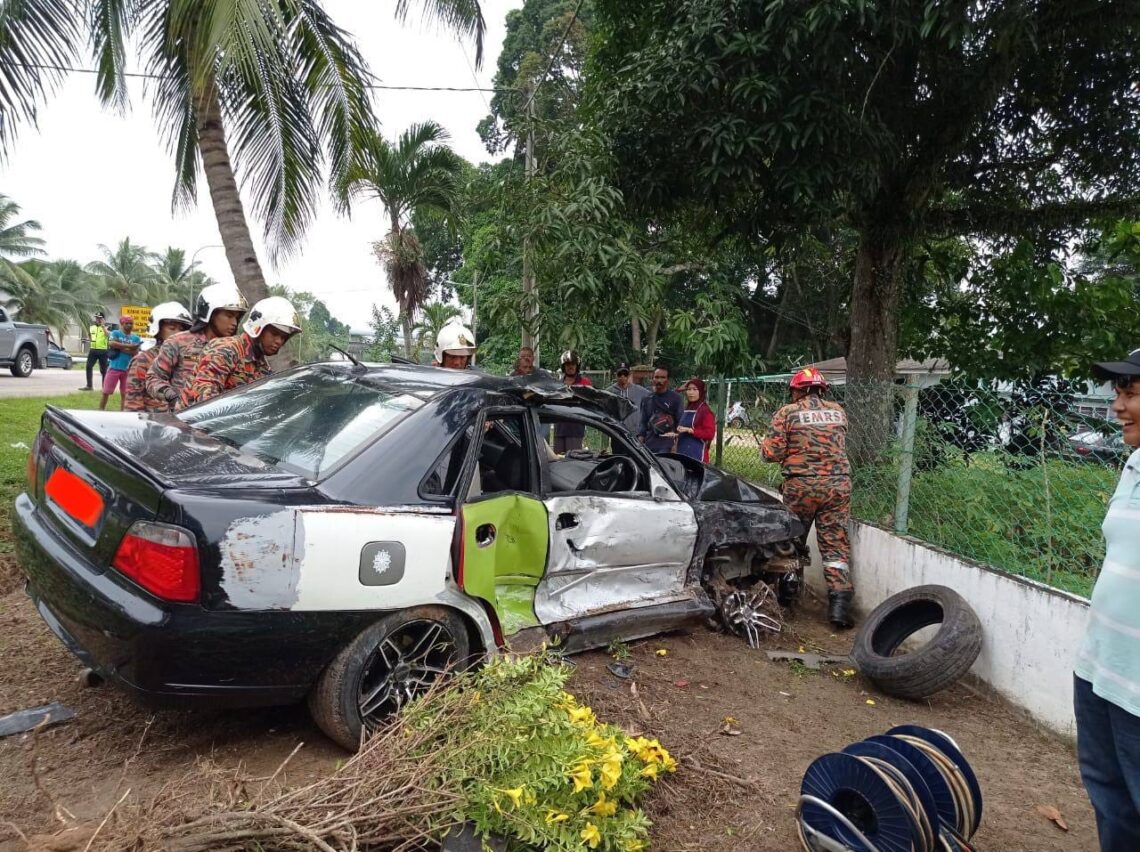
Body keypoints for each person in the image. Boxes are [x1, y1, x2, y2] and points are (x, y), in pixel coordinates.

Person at [1074, 348, 1140, 852]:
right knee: (1110, 800)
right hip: (1100, 667)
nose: (1117, 405)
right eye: (1119, 393)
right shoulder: (1133, 465)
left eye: (1131, 393)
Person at [761, 367, 853, 628]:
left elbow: (771, 453)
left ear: (797, 390)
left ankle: (786, 596)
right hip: (838, 484)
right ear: (822, 389)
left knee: (790, 540)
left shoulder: (788, 413)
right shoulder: (838, 411)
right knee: (835, 545)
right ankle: (839, 608)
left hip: (801, 484)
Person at [182, 296, 302, 407]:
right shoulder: (226, 350)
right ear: (258, 327)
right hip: (189, 425)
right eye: (275, 334)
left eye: (283, 337)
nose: (279, 341)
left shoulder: (262, 366)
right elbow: (204, 396)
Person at [146, 283, 247, 412]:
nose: (234, 323)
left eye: (237, 317)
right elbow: (154, 378)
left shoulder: (238, 349)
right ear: (210, 313)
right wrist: (171, 395)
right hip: (181, 419)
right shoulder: (178, 342)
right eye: (229, 316)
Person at [124, 302, 194, 412]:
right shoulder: (143, 360)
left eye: (181, 329)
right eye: (172, 328)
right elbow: (133, 404)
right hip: (153, 424)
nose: (177, 334)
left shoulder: (189, 359)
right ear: (158, 329)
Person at [638, 365, 684, 454]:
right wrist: (639, 446)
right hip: (649, 446)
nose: (659, 380)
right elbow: (643, 424)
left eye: (663, 377)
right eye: (657, 377)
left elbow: (680, 425)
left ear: (668, 380)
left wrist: (675, 446)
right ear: (653, 379)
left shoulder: (675, 399)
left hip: (667, 446)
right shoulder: (647, 399)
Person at [99, 316, 142, 411]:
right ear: (122, 324)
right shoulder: (116, 333)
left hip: (128, 370)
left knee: (125, 394)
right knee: (106, 392)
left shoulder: (136, 338)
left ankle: (123, 413)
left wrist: (120, 347)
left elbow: (135, 353)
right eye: (127, 323)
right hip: (114, 367)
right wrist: (129, 346)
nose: (129, 325)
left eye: (131, 323)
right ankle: (101, 411)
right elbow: (111, 343)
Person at [553, 350, 592, 453]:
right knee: (558, 460)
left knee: (573, 460)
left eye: (573, 364)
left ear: (577, 366)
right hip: (559, 428)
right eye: (567, 364)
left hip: (576, 428)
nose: (570, 367)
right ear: (563, 366)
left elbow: (590, 403)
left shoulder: (585, 383)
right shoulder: (557, 384)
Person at [676, 377, 716, 462]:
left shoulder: (705, 410)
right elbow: (673, 395)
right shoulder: (687, 408)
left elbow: (710, 434)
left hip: (697, 454)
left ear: (701, 391)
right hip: (682, 450)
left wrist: (691, 431)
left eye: (695, 389)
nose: (691, 392)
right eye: (689, 389)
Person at [607, 362, 651, 439]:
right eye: (620, 374)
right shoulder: (609, 392)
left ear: (629, 374)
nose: (622, 376)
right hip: (617, 433)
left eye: (625, 374)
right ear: (615, 375)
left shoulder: (639, 390)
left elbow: (654, 397)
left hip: (635, 434)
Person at [79, 312, 109, 391]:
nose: (98, 319)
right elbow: (90, 335)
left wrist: (103, 326)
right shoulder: (92, 327)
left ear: (103, 319)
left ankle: (104, 387)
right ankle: (89, 386)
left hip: (103, 350)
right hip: (93, 350)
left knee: (103, 370)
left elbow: (107, 335)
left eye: (100, 318)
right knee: (88, 366)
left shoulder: (106, 328)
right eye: (96, 318)